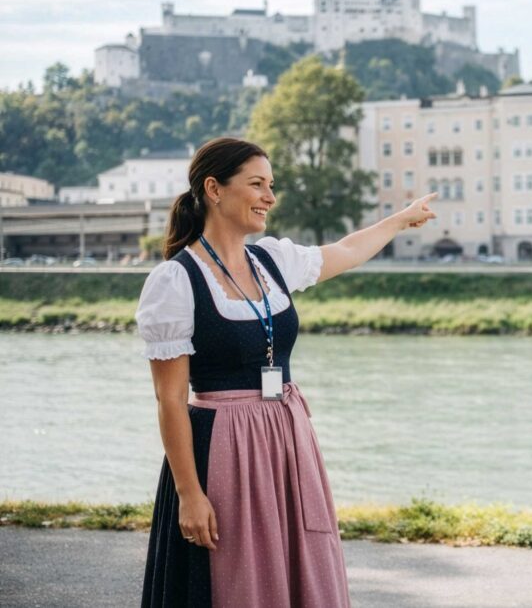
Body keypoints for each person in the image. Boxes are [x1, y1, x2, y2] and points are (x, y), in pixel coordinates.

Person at [136, 137, 436, 607]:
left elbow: (347, 250)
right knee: (238, 575)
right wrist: (189, 493)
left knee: (298, 567)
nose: (269, 197)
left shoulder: (271, 261)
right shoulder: (176, 281)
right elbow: (169, 400)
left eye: (271, 185)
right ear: (214, 189)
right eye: (257, 184)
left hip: (286, 435)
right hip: (224, 445)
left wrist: (401, 220)